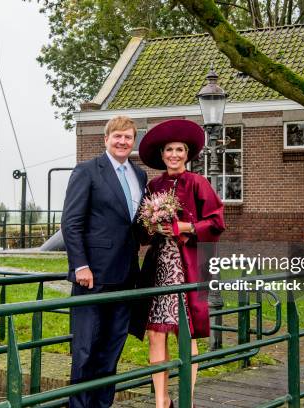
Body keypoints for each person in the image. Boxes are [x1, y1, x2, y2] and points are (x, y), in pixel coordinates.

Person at [131, 119, 225, 408]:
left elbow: (217, 222)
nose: (174, 154)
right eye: (169, 150)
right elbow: (140, 230)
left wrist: (184, 227)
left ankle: (187, 398)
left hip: (187, 267)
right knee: (156, 334)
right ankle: (161, 401)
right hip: (159, 269)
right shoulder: (153, 186)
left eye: (179, 150)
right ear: (162, 155)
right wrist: (151, 226)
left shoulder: (198, 183)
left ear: (187, 154)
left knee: (187, 333)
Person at [62, 115, 147, 408]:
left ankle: (102, 405)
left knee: (113, 348)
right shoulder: (87, 171)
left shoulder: (140, 176)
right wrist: (80, 265)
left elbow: (133, 224)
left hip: (126, 275)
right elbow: (71, 223)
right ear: (106, 139)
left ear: (133, 141)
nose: (123, 142)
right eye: (118, 137)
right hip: (93, 276)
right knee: (85, 349)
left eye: (128, 138)